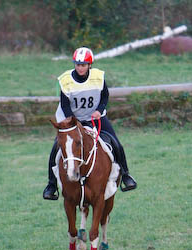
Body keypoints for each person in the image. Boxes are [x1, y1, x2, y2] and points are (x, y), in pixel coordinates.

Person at [42, 46, 137, 199]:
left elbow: (105, 96)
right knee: (56, 149)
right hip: (71, 119)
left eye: (84, 65)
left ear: (89, 65)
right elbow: (65, 106)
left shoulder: (98, 77)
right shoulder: (66, 80)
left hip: (95, 117)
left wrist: (99, 110)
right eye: (78, 64)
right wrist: (73, 122)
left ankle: (126, 175)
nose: (80, 68)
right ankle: (51, 185)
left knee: (116, 144)